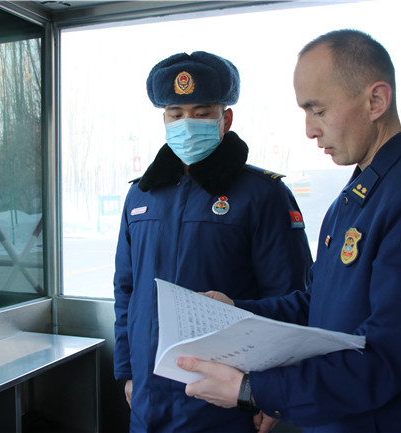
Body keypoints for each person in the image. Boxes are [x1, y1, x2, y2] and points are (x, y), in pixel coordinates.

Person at [177, 30, 401, 433]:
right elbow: (320, 306)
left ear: (376, 101)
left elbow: (388, 355)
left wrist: (253, 389)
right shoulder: (359, 195)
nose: (309, 130)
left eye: (318, 110)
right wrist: (235, 311)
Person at [113, 51, 313, 433]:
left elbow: (291, 301)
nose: (186, 124)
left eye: (202, 113)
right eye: (175, 114)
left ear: (226, 119)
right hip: (147, 399)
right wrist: (127, 371)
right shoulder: (141, 196)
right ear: (164, 119)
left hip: (225, 401)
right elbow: (126, 291)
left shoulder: (263, 195)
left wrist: (269, 391)